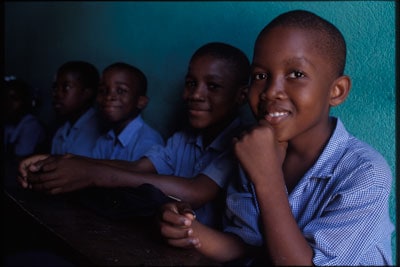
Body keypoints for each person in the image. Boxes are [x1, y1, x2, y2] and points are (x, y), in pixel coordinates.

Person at [158, 10, 394, 266]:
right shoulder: (252, 148)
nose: (271, 92)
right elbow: (248, 246)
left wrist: (267, 177)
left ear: (336, 91)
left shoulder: (365, 173)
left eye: (296, 74)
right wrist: (190, 231)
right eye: (260, 76)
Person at [17, 42, 251, 227]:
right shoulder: (183, 138)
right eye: (191, 83)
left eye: (213, 86)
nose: (195, 95)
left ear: (241, 95)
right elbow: (139, 168)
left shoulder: (240, 143)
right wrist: (66, 162)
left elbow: (195, 191)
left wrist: (92, 173)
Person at [91, 62, 164, 161]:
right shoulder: (105, 140)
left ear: (141, 102)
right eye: (103, 90)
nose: (108, 97)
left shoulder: (148, 142)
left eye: (120, 91)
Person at [50, 60, 102, 157]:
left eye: (66, 87)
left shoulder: (96, 130)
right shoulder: (63, 130)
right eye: (55, 87)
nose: (57, 94)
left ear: (87, 93)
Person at [3, 77, 47, 160]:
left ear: (25, 101)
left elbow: (19, 159)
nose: (9, 103)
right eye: (6, 98)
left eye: (15, 99)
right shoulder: (9, 123)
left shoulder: (31, 125)